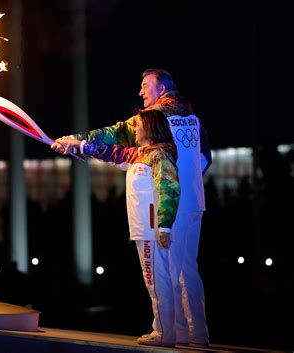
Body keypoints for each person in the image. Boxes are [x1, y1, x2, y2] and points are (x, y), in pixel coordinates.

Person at [54, 68, 210, 346]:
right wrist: (188, 182)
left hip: (164, 203)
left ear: (161, 88)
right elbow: (205, 158)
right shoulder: (193, 118)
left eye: (145, 85)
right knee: (187, 267)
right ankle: (195, 331)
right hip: (192, 201)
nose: (141, 91)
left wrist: (77, 140)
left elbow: (115, 136)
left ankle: (168, 331)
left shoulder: (154, 119)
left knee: (164, 269)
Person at [53, 110, 181, 347]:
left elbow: (169, 188)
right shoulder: (139, 154)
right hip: (144, 228)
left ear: (151, 128)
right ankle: (169, 330)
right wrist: (74, 144)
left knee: (156, 279)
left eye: (139, 125)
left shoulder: (159, 155)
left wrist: (164, 226)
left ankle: (164, 332)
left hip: (152, 229)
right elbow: (110, 152)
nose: (134, 129)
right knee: (155, 278)